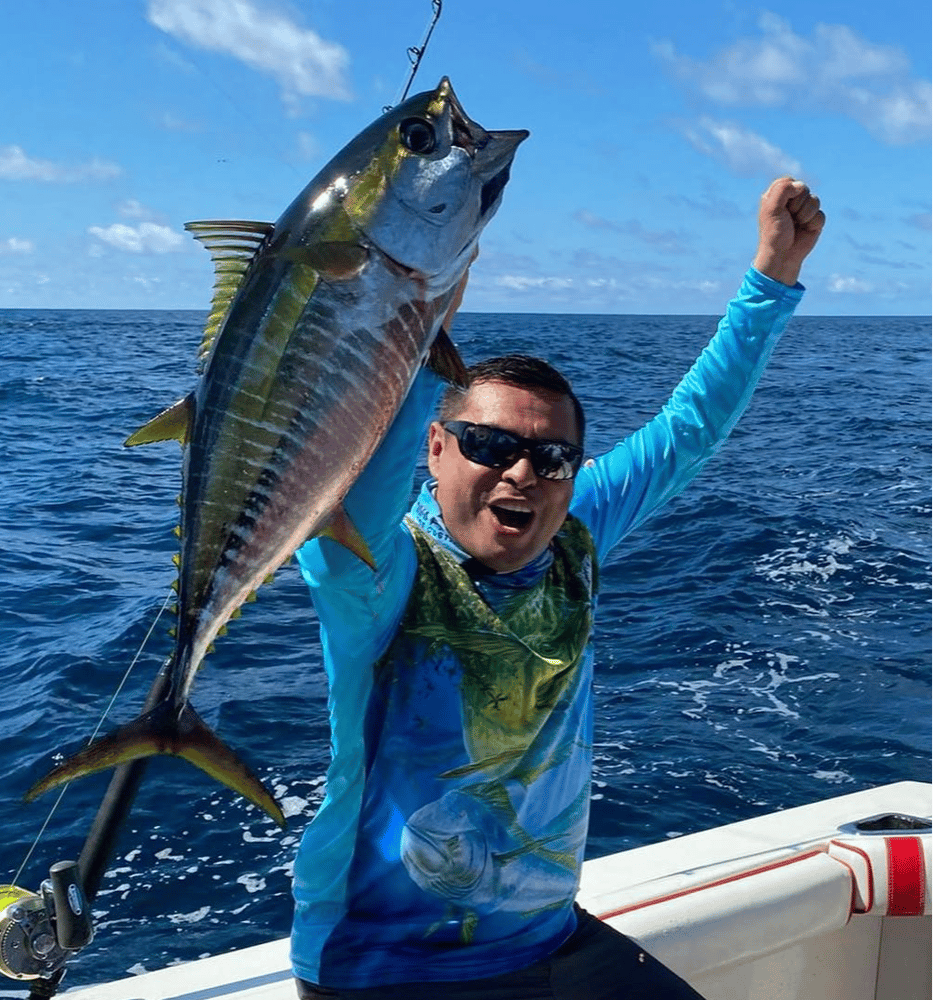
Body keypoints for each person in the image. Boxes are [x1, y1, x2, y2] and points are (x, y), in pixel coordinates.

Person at [291, 177, 825, 999]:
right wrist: (425, 314)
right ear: (434, 449)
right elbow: (348, 497)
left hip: (550, 938)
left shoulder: (571, 537)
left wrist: (772, 274)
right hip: (385, 966)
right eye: (487, 444)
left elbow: (688, 429)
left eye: (551, 459)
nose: (521, 473)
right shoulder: (378, 574)